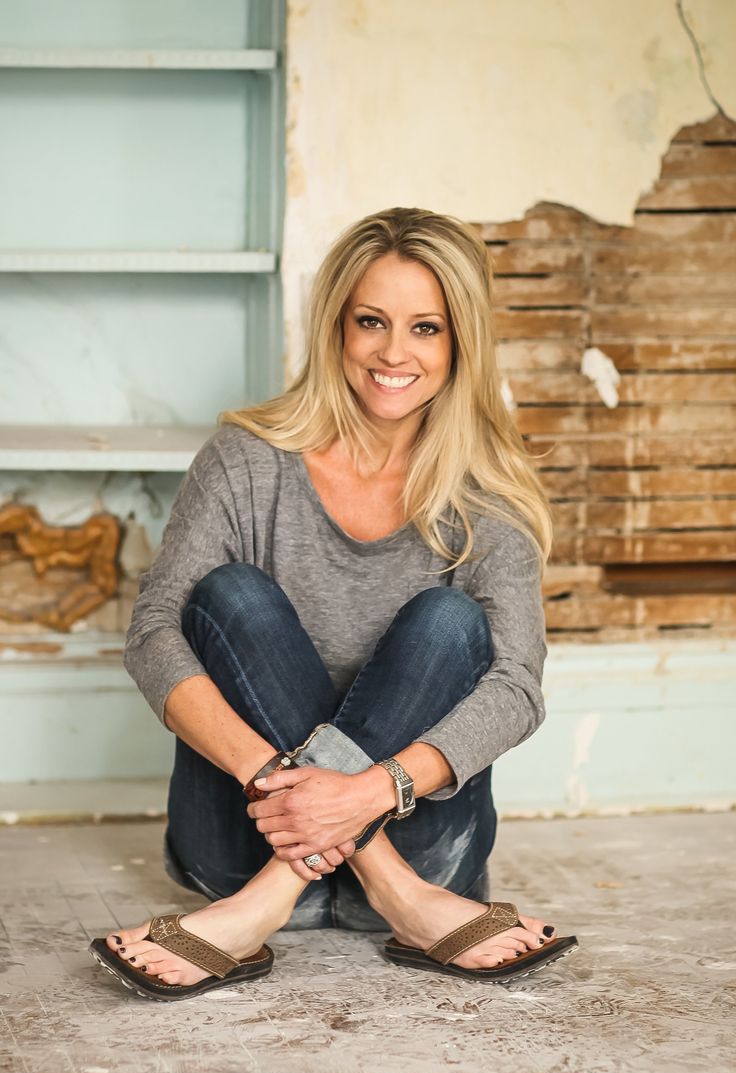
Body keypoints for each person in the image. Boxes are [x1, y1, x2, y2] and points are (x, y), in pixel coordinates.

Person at [89, 207, 578, 1000]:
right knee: (229, 597)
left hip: (426, 847)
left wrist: (362, 796)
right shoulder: (247, 461)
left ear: (462, 344)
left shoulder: (487, 493)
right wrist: (289, 789)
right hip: (242, 838)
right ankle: (371, 892)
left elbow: (518, 689)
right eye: (371, 322)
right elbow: (151, 635)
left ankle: (264, 910)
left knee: (449, 622)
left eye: (426, 328)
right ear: (336, 328)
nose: (393, 353)